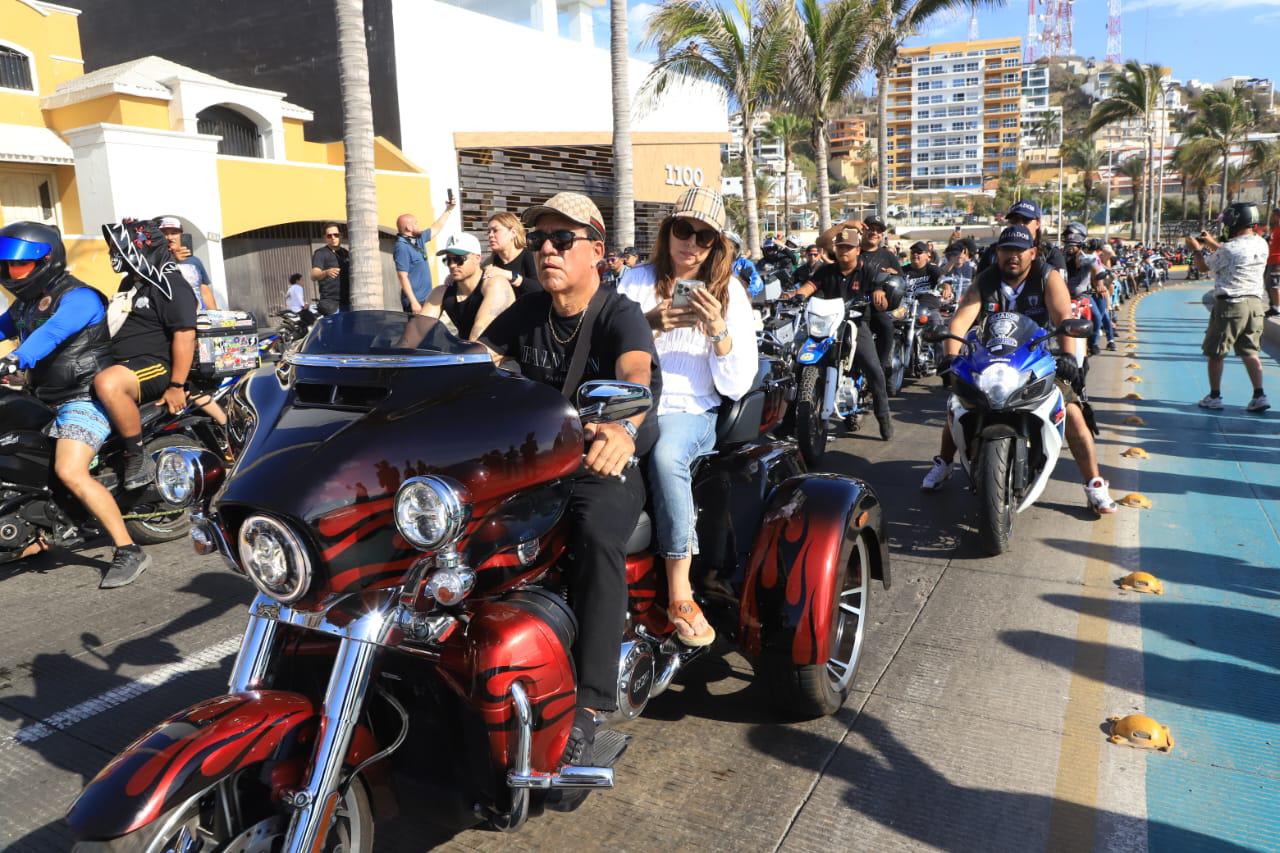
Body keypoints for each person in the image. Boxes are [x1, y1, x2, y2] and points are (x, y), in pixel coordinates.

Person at [478, 192, 661, 765]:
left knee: (595, 530)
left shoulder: (618, 313)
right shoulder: (530, 310)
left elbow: (636, 372)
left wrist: (623, 428)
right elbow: (473, 358)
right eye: (539, 240)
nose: (548, 251)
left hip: (601, 462)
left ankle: (591, 701)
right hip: (536, 462)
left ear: (597, 251)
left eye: (563, 240)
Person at [618, 189, 756, 648]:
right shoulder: (635, 281)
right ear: (668, 231)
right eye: (683, 230)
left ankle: (680, 591)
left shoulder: (730, 294)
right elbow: (605, 347)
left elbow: (737, 383)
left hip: (690, 407)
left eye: (704, 236)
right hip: (632, 402)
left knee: (666, 455)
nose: (691, 243)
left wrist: (718, 331)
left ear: (716, 245)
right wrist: (649, 324)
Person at [922, 225, 1117, 514]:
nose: (1012, 256)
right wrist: (950, 358)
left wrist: (1067, 356)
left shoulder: (1047, 277)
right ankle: (945, 462)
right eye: (1006, 250)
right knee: (959, 403)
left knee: (1073, 413)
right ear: (998, 253)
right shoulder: (986, 279)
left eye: (1019, 250)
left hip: (1039, 359)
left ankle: (1094, 484)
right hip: (990, 360)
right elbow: (960, 321)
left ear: (1032, 253)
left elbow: (1063, 317)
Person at [0, 222, 154, 587]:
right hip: (42, 397)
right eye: (6, 265)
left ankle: (128, 550)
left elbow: (51, 333)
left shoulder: (79, 297)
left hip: (83, 397)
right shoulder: (23, 304)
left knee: (70, 471)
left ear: (46, 261)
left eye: (19, 265)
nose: (11, 272)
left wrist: (15, 359)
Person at [94, 218, 199, 491]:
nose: (113, 254)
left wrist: (176, 385)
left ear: (138, 248)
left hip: (155, 366)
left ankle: (137, 457)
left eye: (118, 248)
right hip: (124, 364)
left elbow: (185, 335)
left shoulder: (170, 283)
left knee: (108, 383)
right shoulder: (131, 282)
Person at [785, 219, 893, 439]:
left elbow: (879, 286)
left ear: (857, 250)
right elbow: (810, 285)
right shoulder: (826, 270)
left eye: (849, 247)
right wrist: (798, 296)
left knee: (874, 370)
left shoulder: (867, 270)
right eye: (841, 247)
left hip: (855, 325)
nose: (844, 251)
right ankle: (789, 421)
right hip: (825, 325)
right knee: (798, 366)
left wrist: (879, 292)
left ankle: (883, 417)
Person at [1186, 203, 1269, 412]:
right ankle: (1259, 395)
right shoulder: (1261, 243)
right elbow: (1232, 254)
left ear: (1235, 221)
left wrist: (1197, 249)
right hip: (1255, 305)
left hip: (1231, 305)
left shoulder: (1230, 249)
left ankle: (1214, 396)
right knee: (1250, 351)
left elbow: (1203, 267)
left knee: (1216, 352)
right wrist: (1212, 243)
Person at [417, 233, 514, 340]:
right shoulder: (442, 292)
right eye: (448, 260)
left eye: (459, 259)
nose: (452, 265)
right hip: (468, 348)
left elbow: (478, 335)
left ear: (477, 258)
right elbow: (418, 330)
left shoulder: (495, 284)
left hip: (496, 349)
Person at [858, 215, 900, 397]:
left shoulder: (888, 256)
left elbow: (900, 280)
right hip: (849, 304)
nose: (874, 233)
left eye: (878, 230)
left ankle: (879, 372)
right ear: (863, 230)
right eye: (870, 228)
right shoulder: (852, 251)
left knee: (887, 327)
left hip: (875, 307)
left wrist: (888, 281)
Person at [394, 199, 457, 314]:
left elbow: (436, 228)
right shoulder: (401, 247)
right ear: (409, 227)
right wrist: (413, 302)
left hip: (427, 297)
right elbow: (402, 276)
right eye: (416, 223)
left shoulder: (418, 239)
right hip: (416, 301)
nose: (418, 225)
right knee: (417, 326)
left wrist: (448, 210)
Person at [1061, 224, 1114, 354]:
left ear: (1080, 243)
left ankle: (1092, 344)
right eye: (1068, 243)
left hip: (1083, 296)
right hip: (1061, 296)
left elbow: (1098, 271)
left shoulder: (1088, 258)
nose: (1069, 247)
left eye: (1073, 244)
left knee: (1097, 317)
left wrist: (1100, 283)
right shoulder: (1058, 256)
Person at [976, 201, 1066, 276]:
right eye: (1014, 220)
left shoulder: (1051, 254)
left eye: (1026, 220)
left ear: (1038, 223)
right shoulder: (992, 252)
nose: (1020, 225)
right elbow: (978, 285)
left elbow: (1061, 288)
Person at [158, 217, 218, 310]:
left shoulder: (194, 261)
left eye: (174, 233)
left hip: (197, 313)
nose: (169, 237)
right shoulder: (156, 260)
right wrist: (173, 260)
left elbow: (204, 291)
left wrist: (214, 314)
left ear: (182, 235)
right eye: (165, 234)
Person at [485, 211, 543, 297]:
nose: (490, 235)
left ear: (513, 233)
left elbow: (541, 290)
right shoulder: (491, 261)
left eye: (495, 230)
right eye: (489, 232)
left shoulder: (529, 255)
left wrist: (511, 276)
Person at [310, 223, 350, 315]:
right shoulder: (321, 253)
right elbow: (314, 275)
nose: (333, 238)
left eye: (336, 235)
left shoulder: (346, 253)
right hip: (331, 304)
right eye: (329, 236)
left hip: (348, 303)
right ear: (325, 238)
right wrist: (326, 272)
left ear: (341, 235)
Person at [724, 229, 763, 297]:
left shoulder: (744, 264)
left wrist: (745, 293)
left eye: (729, 247)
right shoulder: (711, 264)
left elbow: (757, 282)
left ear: (736, 248)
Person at [1265, 208, 1280, 318]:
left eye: (1274, 215)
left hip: (1277, 261)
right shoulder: (1275, 229)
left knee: (1274, 285)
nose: (1272, 216)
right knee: (1268, 284)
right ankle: (1273, 306)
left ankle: (1277, 308)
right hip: (1270, 260)